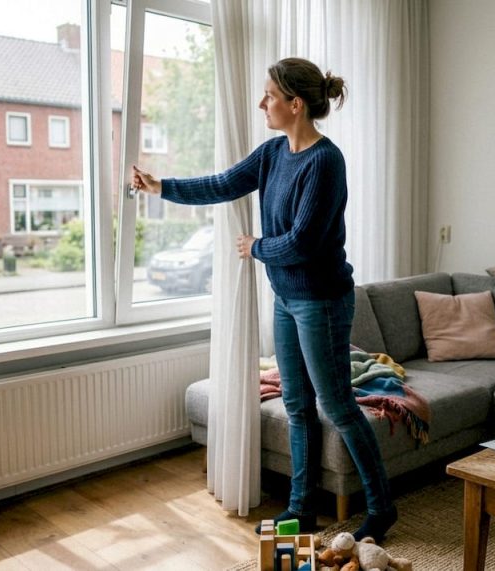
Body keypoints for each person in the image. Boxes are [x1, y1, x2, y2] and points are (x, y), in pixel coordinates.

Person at [131, 57, 398, 542]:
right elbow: (222, 184)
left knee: (337, 405)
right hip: (286, 298)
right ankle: (301, 509)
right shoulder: (274, 152)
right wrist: (162, 187)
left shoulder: (325, 161)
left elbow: (302, 243)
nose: (262, 103)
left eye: (270, 95)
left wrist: (254, 247)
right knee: (297, 404)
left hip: (322, 301)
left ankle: (381, 508)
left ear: (295, 104)